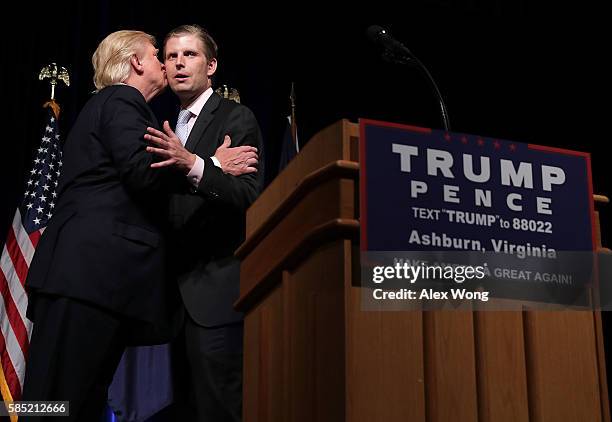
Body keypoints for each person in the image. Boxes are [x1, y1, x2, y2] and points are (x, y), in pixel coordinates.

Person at [22, 30, 179, 421]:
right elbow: (143, 173)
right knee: (57, 401)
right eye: (158, 54)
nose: (165, 62)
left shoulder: (107, 106)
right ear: (137, 62)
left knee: (65, 400)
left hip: (85, 282)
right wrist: (206, 166)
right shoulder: (124, 100)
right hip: (87, 280)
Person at [144, 24, 264, 421]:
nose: (178, 63)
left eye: (189, 55)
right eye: (171, 56)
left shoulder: (235, 117)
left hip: (216, 294)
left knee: (219, 409)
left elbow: (248, 195)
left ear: (211, 65)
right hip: (173, 301)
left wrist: (193, 164)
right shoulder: (162, 125)